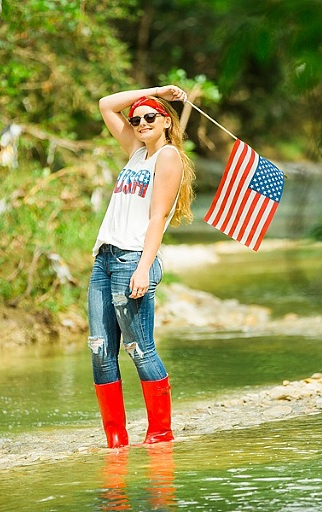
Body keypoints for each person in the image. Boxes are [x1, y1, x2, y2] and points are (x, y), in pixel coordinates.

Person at [88, 85, 195, 449]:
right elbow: (105, 104)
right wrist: (157, 91)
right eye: (136, 119)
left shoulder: (167, 157)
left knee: (139, 348)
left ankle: (160, 435)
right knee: (101, 349)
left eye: (150, 116)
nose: (141, 122)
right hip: (104, 258)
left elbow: (157, 217)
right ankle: (115, 442)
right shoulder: (136, 153)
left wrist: (143, 268)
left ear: (166, 121)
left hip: (132, 259)